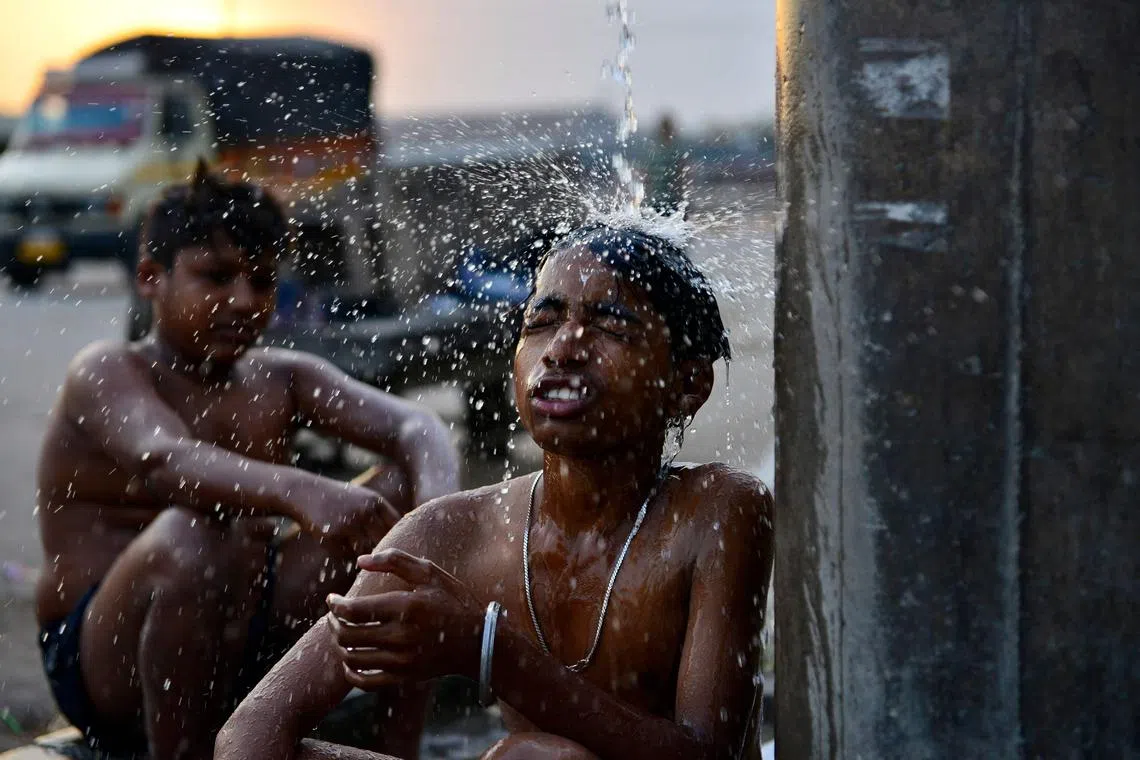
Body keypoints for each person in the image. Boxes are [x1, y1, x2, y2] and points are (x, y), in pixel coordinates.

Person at [217, 222, 774, 760]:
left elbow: (708, 753)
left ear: (686, 386)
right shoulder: (450, 532)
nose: (563, 349)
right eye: (541, 321)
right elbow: (253, 726)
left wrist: (486, 649)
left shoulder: (719, 512)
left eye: (610, 327)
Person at [34, 161, 461, 760]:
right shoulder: (109, 372)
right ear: (151, 278)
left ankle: (396, 754)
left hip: (244, 634)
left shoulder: (279, 377)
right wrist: (304, 490)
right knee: (198, 527)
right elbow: (166, 459)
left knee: (407, 518)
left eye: (261, 282)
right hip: (108, 661)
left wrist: (434, 517)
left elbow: (416, 425)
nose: (242, 301)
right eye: (215, 278)